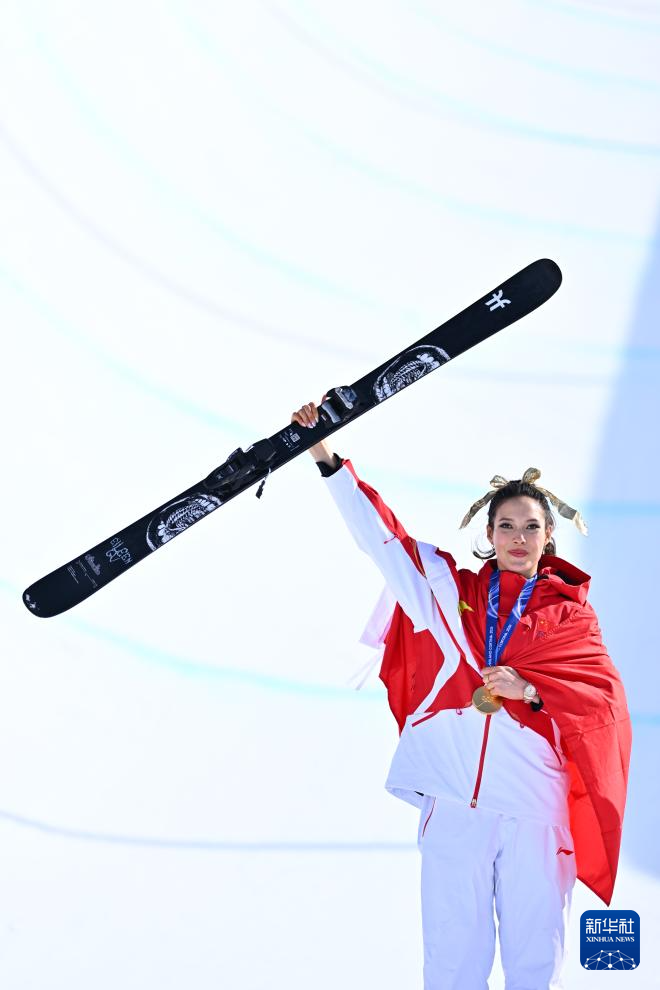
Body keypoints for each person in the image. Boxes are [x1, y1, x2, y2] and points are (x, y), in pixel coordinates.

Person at [291, 399, 631, 990]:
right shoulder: (450, 593)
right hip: (454, 805)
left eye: (531, 526)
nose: (519, 537)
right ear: (489, 534)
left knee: (534, 964)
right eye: (507, 526)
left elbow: (601, 706)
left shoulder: (572, 617)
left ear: (549, 535)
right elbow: (384, 542)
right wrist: (325, 455)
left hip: (533, 810)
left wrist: (532, 690)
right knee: (452, 965)